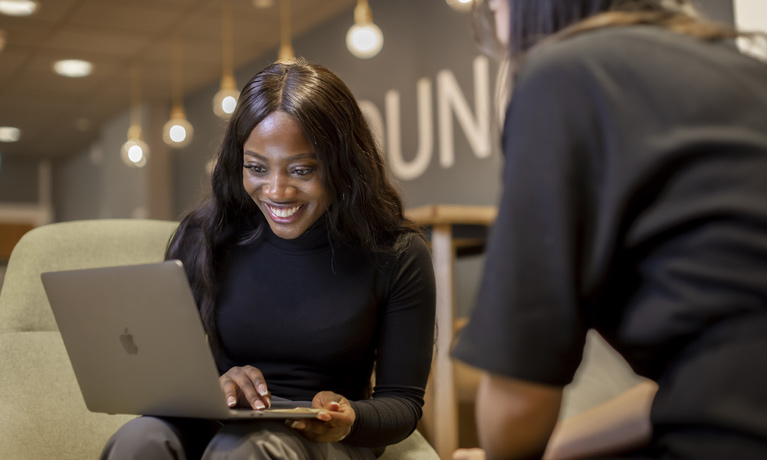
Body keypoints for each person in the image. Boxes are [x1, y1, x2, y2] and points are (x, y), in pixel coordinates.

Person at [451, 0, 767, 459]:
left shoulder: (563, 77)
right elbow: (700, 385)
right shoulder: (745, 71)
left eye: (498, 8)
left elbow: (516, 414)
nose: (501, 33)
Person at [101, 59, 436, 460]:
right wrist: (216, 384)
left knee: (247, 451)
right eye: (256, 168)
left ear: (344, 165)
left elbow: (402, 402)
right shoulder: (206, 238)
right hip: (220, 423)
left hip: (322, 440)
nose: (277, 191)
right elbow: (166, 380)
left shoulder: (396, 253)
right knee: (141, 440)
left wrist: (351, 417)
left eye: (301, 169)